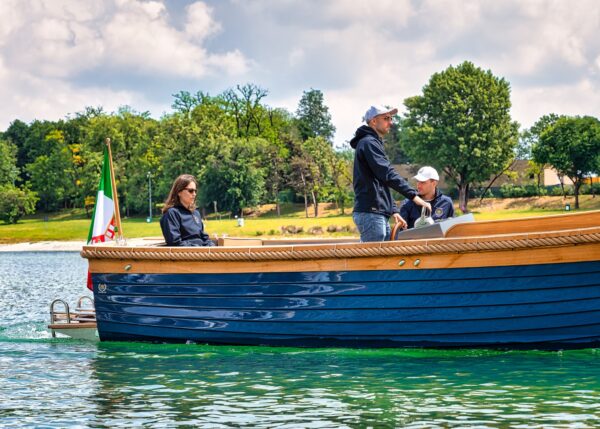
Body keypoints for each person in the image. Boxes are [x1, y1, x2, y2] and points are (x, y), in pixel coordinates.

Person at [350, 105, 431, 242]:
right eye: (386, 118)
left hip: (376, 212)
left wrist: (393, 210)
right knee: (374, 262)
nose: (391, 122)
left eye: (391, 118)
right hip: (371, 213)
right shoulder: (369, 143)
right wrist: (415, 197)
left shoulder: (372, 143)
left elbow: (382, 181)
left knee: (381, 260)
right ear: (374, 121)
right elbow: (387, 174)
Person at [160, 174, 215, 247]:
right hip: (187, 256)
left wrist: (211, 244)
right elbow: (175, 243)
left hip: (203, 253)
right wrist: (199, 248)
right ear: (179, 192)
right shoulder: (171, 213)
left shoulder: (195, 213)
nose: (194, 194)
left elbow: (203, 236)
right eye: (191, 191)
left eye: (195, 191)